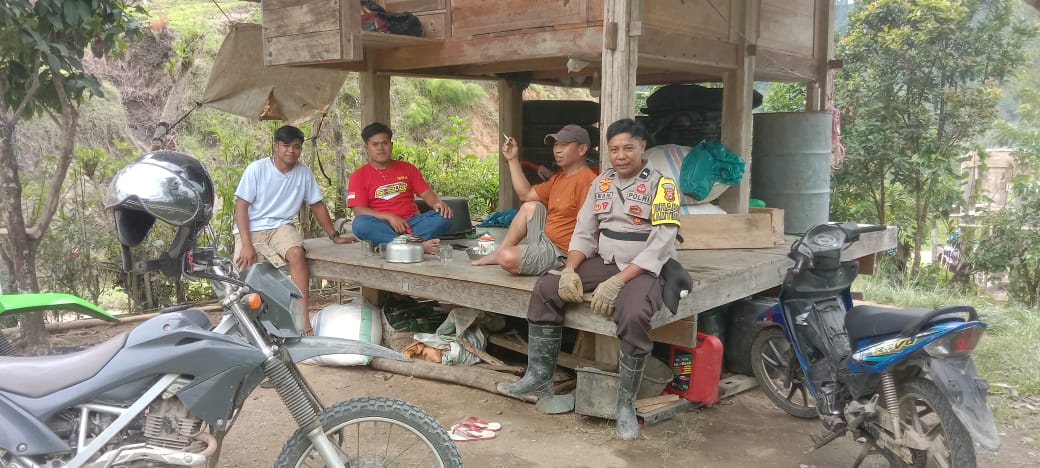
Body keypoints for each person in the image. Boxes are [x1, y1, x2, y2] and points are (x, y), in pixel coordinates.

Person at [497, 118, 682, 440]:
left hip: (642, 265)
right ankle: (539, 377)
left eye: (628, 148)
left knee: (634, 312)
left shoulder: (663, 186)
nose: (621, 155)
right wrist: (570, 269)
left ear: (642, 147)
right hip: (605, 259)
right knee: (547, 287)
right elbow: (584, 231)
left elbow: (662, 243)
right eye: (614, 149)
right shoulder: (602, 183)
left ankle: (625, 405)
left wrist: (620, 281)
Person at [233, 125, 356, 334]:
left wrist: (334, 236)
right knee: (244, 272)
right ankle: (248, 328)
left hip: (281, 226)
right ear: (276, 146)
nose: (291, 151)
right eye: (286, 145)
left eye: (297, 147)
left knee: (297, 254)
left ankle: (303, 321)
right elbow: (241, 206)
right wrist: (246, 244)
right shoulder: (257, 169)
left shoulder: (303, 172)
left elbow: (317, 204)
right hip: (252, 228)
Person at [472, 124, 597, 275]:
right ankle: (498, 252)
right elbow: (526, 194)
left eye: (564, 145)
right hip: (546, 240)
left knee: (507, 258)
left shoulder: (587, 181)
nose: (557, 150)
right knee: (530, 206)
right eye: (556, 145)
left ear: (582, 149)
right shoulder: (560, 177)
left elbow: (589, 228)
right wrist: (513, 159)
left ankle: (549, 263)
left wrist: (573, 266)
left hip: (562, 253)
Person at [347, 122, 453, 254]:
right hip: (382, 225)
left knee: (445, 216)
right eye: (375, 144)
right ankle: (417, 246)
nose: (380, 148)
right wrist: (389, 217)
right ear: (366, 148)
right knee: (360, 224)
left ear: (391, 145)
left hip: (412, 223)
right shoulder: (358, 176)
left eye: (385, 143)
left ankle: (393, 244)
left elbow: (427, 193)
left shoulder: (407, 168)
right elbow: (359, 210)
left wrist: (438, 203)